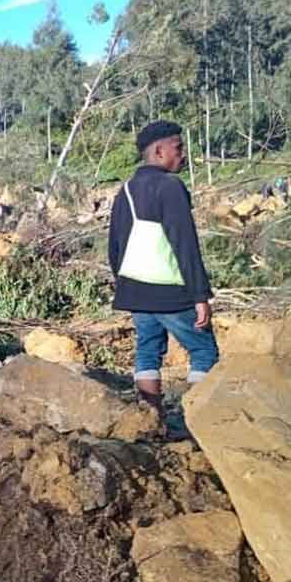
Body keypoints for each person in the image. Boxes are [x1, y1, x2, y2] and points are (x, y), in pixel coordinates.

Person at [107, 120, 219, 413]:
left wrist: (126, 284)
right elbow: (185, 244)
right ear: (159, 151)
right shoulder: (170, 186)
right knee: (203, 350)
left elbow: (114, 247)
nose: (183, 154)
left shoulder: (126, 190)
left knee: (147, 351)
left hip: (135, 290)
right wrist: (200, 296)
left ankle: (151, 419)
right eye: (178, 148)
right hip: (171, 292)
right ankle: (198, 419)